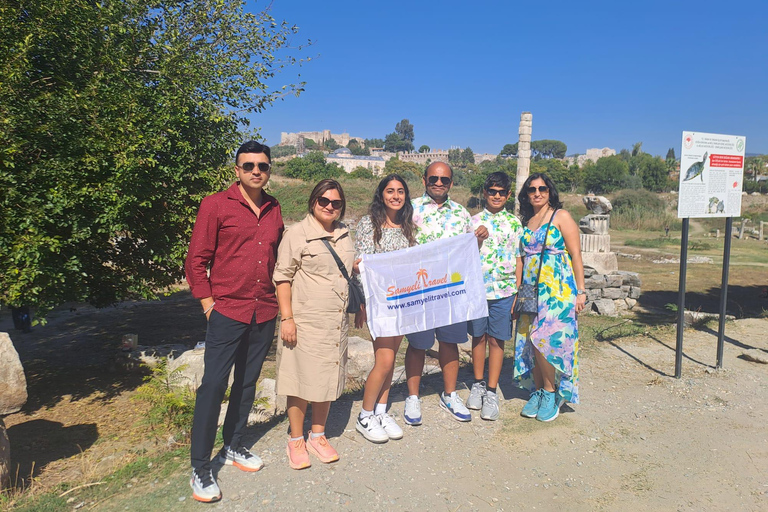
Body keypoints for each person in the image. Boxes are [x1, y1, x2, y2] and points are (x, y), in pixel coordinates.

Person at [185, 141, 283, 503]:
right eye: (249, 166)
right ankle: (200, 466)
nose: (256, 171)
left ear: (269, 169)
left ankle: (234, 444)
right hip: (227, 310)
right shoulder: (215, 205)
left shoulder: (274, 209)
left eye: (263, 166)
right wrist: (209, 304)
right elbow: (196, 260)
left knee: (247, 383)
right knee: (213, 385)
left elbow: (278, 257)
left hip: (264, 310)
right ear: (237, 170)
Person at [274, 179, 355, 469]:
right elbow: (282, 277)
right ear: (313, 202)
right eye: (324, 201)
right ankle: (296, 439)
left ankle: (317, 435)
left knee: (328, 376)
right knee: (300, 380)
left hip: (335, 322)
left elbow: (345, 269)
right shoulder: (296, 234)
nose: (330, 207)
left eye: (336, 203)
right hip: (305, 321)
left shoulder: (345, 234)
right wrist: (287, 318)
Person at [404, 161, 488, 425]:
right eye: (433, 179)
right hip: (418, 289)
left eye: (444, 180)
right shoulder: (410, 209)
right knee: (418, 344)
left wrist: (479, 240)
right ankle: (413, 396)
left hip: (451, 291)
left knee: (450, 342)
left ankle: (450, 394)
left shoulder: (462, 214)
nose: (438, 184)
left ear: (451, 183)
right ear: (424, 180)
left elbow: (469, 252)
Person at [513, 173, 586, 423]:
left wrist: (581, 291)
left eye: (542, 188)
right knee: (531, 341)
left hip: (557, 289)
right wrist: (517, 290)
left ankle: (551, 392)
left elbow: (576, 255)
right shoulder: (527, 220)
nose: (537, 193)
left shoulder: (561, 216)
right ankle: (539, 389)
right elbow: (520, 260)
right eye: (532, 189)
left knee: (547, 339)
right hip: (531, 289)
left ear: (549, 191)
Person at [353, 174, 417, 443]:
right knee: (385, 359)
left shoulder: (408, 226)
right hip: (378, 303)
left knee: (393, 359)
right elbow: (359, 267)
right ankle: (365, 415)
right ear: (381, 195)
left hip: (402, 302)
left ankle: (381, 410)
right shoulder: (368, 224)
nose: (395, 196)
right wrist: (362, 303)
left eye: (400, 191)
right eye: (390, 191)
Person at [466, 172, 523, 421]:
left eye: (501, 192)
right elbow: (466, 255)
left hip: (505, 291)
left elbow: (520, 258)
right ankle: (477, 383)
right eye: (492, 191)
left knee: (497, 340)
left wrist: (518, 291)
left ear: (508, 195)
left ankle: (491, 390)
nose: (496, 196)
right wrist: (476, 241)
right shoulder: (473, 221)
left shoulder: (515, 223)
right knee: (478, 337)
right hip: (478, 291)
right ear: (485, 193)